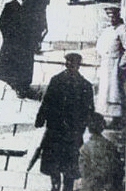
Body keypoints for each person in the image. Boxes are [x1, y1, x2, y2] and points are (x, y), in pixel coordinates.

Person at [34, 52, 94, 191]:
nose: (70, 67)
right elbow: (47, 101)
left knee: (70, 166)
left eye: (73, 64)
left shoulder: (85, 86)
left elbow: (89, 109)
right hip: (55, 130)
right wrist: (40, 118)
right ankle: (55, 185)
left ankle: (67, 187)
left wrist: (87, 126)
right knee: (54, 164)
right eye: (68, 64)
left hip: (72, 133)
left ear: (78, 66)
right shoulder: (56, 80)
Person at [0, 0, 34, 97]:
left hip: (25, 43)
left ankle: (24, 85)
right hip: (12, 42)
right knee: (12, 65)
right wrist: (8, 36)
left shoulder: (30, 7)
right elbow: (1, 22)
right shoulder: (9, 7)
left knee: (25, 65)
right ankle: (17, 86)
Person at [95, 6, 126, 123]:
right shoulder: (107, 30)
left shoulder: (122, 29)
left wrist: (121, 64)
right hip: (105, 63)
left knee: (115, 91)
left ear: (118, 16)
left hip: (115, 64)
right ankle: (105, 116)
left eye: (113, 17)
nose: (111, 19)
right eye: (109, 17)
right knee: (105, 90)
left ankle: (118, 118)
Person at [78, 113, 123, 191]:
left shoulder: (85, 149)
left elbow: (84, 172)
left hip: (92, 186)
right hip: (108, 186)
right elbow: (117, 168)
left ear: (89, 128)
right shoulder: (110, 146)